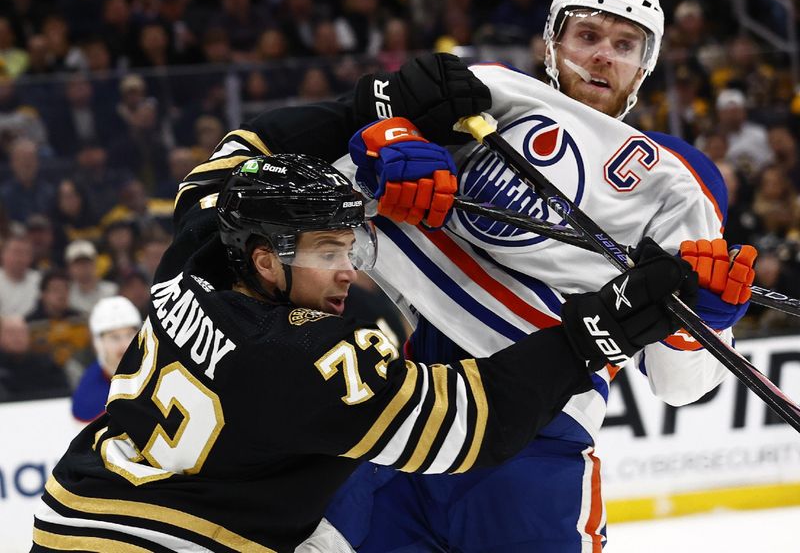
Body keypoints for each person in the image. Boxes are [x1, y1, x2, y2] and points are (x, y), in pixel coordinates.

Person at [197, 0, 758, 552]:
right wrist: (381, 146)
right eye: (586, 36)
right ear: (552, 42)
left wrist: (704, 326)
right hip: (407, 421)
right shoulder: (480, 95)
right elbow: (331, 211)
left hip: (532, 447)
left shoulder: (679, 180)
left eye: (625, 45)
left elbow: (679, 386)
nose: (602, 58)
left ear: (645, 66)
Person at [31, 152, 695, 552]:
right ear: (266, 260)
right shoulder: (300, 358)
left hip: (71, 516)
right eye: (327, 252)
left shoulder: (194, 258)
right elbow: (472, 423)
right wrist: (592, 335)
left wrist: (371, 107)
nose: (347, 270)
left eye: (347, 249)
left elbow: (245, 148)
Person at [71, 295, 142, 422]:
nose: (124, 345)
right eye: (115, 337)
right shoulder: (88, 395)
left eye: (130, 335)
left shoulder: (163, 372)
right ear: (98, 343)